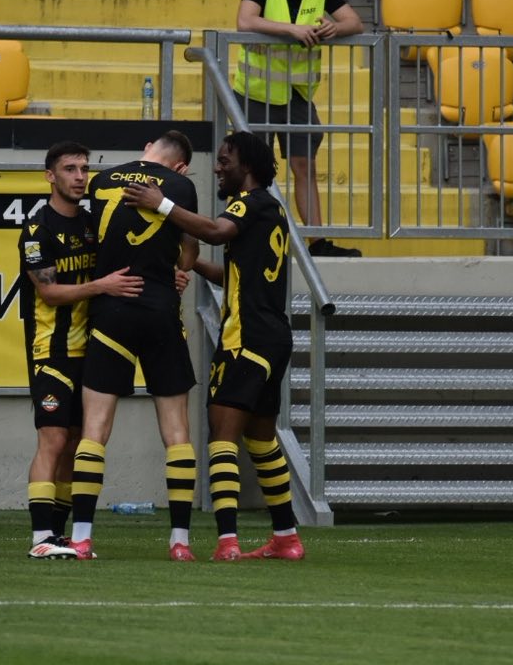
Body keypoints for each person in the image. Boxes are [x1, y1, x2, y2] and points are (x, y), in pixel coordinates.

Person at [126, 131, 304, 562]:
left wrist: (161, 205)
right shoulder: (273, 210)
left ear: (248, 167)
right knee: (261, 440)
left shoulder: (247, 203)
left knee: (222, 439)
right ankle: (286, 538)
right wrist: (191, 266)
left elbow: (216, 231)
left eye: (225, 161)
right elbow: (237, 275)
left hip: (245, 338)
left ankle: (227, 542)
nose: (219, 168)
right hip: (273, 337)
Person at [69, 132, 199, 561]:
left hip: (112, 309)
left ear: (148, 148)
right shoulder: (181, 186)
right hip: (160, 310)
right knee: (176, 431)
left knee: (95, 429)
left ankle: (81, 537)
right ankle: (180, 541)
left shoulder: (101, 180)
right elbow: (189, 252)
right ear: (181, 166)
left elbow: (92, 240)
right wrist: (177, 270)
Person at [17, 140, 143, 560]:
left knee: (74, 443)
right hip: (51, 352)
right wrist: (100, 286)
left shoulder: (93, 224)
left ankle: (58, 534)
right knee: (52, 440)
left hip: (91, 352)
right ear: (49, 176)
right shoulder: (37, 229)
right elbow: (49, 292)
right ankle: (40, 537)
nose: (79, 177)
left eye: (84, 169)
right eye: (70, 169)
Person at [234, 0, 365, 258]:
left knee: (304, 165)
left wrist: (335, 29)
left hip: (298, 95)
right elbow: (245, 21)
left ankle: (317, 243)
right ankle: (251, 240)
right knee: (252, 170)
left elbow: (355, 22)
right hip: (256, 94)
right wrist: (291, 30)